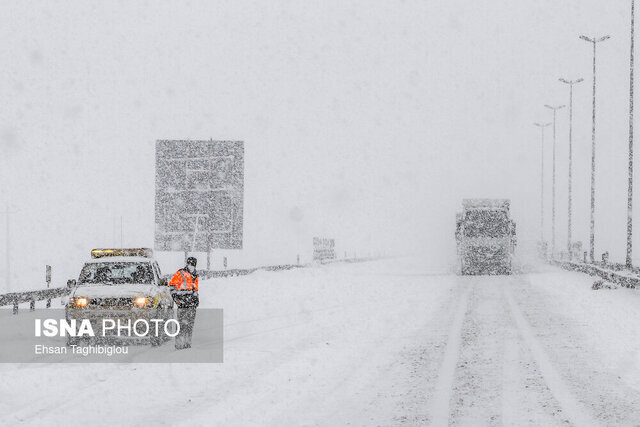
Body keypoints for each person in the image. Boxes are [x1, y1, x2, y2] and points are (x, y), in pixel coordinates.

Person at [168, 257, 200, 349]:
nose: (192, 266)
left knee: (190, 324)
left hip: (192, 304)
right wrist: (176, 299)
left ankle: (187, 343)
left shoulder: (195, 275)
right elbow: (171, 287)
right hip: (182, 303)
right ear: (187, 264)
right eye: (190, 264)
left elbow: (195, 289)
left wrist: (196, 299)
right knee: (181, 324)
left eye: (193, 264)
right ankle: (179, 344)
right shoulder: (180, 273)